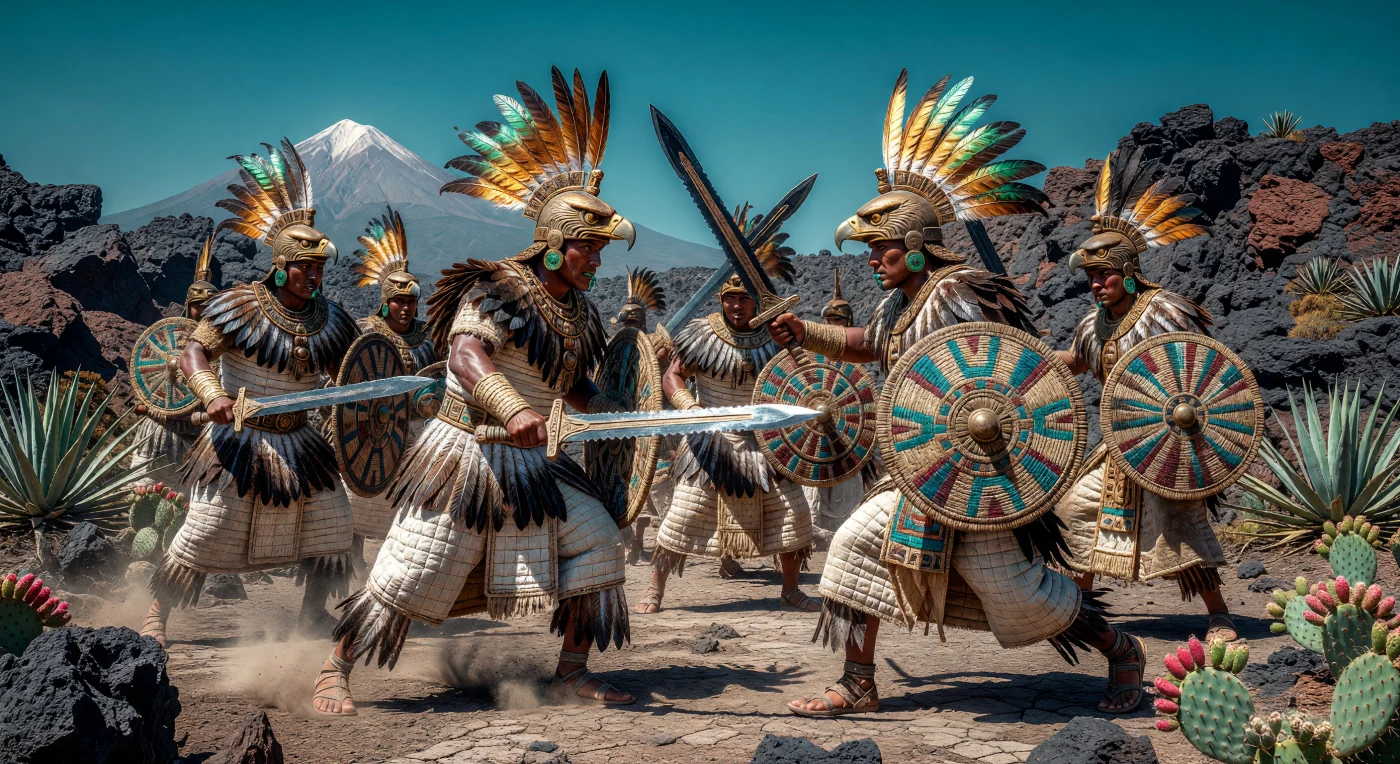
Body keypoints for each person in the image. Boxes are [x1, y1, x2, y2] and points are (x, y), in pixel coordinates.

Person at [771, 69, 1147, 717]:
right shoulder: (903, 303)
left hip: (981, 475)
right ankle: (858, 682)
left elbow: (1007, 381)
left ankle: (1120, 647)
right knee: (856, 546)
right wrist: (805, 332)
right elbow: (870, 344)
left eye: (880, 246)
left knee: (1016, 591)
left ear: (916, 248)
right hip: (924, 473)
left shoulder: (962, 294)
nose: (871, 257)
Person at [312, 68, 637, 716]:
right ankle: (333, 669)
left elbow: (572, 388)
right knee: (413, 569)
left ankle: (571, 672)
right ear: (554, 247)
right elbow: (465, 355)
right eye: (588, 248)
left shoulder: (578, 314)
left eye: (601, 248)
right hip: (466, 453)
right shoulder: (497, 289)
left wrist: (621, 417)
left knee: (598, 542)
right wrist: (513, 407)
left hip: (535, 461)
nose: (599, 259)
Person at [144, 139, 358, 646]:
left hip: (304, 442)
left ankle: (311, 613)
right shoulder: (240, 305)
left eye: (321, 268)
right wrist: (211, 394)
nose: (315, 277)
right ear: (282, 265)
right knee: (207, 530)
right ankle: (158, 613)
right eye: (306, 267)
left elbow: (352, 373)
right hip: (239, 439)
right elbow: (193, 353)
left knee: (334, 526)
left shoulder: (331, 318)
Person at [1050, 148, 1234, 640]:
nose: (1095, 285)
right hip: (1118, 441)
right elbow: (1080, 359)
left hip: (1164, 443)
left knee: (1176, 525)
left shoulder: (1164, 311)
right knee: (1076, 510)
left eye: (1103, 275)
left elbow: (1198, 367)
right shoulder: (1094, 323)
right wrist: (1031, 360)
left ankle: (1217, 614)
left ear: (1127, 270)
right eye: (1089, 277)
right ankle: (1080, 608)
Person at [636, 204, 819, 615]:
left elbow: (800, 379)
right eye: (731, 298)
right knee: (682, 516)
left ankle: (790, 589)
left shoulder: (776, 334)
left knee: (792, 515)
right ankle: (655, 588)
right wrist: (689, 407)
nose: (738, 306)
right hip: (710, 435)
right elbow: (672, 376)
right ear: (722, 299)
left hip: (766, 438)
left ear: (756, 301)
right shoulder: (701, 333)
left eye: (745, 299)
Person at [344, 206, 437, 573]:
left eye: (412, 301)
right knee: (357, 495)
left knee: (406, 503)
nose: (406, 308)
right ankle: (351, 560)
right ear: (385, 300)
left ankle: (395, 567)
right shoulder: (364, 330)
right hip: (367, 428)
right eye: (399, 301)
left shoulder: (428, 336)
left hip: (415, 431)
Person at [129, 232, 221, 489]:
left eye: (209, 306)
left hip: (200, 437)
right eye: (197, 305)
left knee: (189, 503)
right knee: (145, 493)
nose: (202, 311)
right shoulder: (168, 339)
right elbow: (147, 382)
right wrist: (153, 404)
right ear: (188, 305)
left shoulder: (223, 348)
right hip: (158, 432)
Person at [609, 267, 673, 565]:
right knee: (629, 487)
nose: (632, 323)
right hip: (623, 431)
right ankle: (634, 544)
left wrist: (658, 363)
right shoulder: (613, 350)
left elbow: (666, 387)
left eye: (636, 319)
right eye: (628, 319)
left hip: (653, 428)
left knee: (658, 485)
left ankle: (668, 543)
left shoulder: (659, 347)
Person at [800, 270, 868, 548]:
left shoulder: (856, 359)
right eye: (828, 319)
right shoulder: (809, 355)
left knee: (845, 485)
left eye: (838, 320)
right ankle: (809, 530)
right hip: (813, 430)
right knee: (810, 479)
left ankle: (839, 533)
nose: (831, 324)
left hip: (846, 433)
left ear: (848, 322)